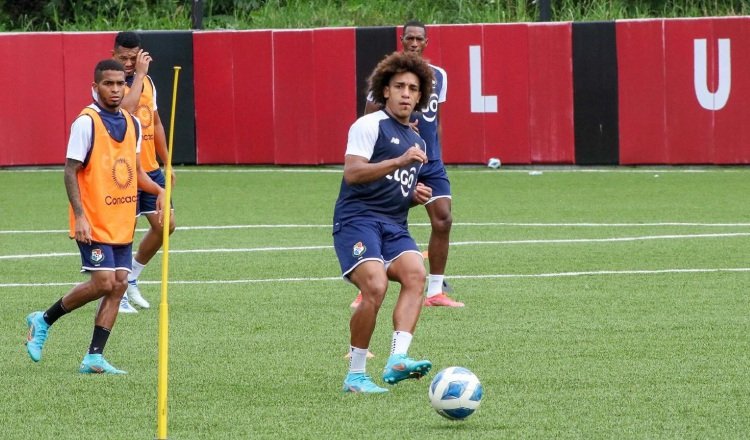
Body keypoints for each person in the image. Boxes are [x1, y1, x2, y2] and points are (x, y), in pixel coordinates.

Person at [24, 59, 165, 374]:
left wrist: (158, 190)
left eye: (120, 84)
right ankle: (42, 320)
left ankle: (94, 357)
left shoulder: (132, 123)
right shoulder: (86, 122)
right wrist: (80, 216)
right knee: (103, 282)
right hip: (93, 221)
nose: (115, 90)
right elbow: (70, 170)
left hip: (121, 221)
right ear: (95, 87)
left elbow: (136, 170)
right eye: (108, 84)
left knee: (118, 285)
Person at [334, 51, 436, 393]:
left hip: (394, 225)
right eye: (399, 87)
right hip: (357, 220)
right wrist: (399, 161)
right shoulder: (369, 125)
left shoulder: (417, 141)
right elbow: (353, 173)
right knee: (375, 287)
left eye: (413, 88)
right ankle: (356, 375)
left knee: (415, 273)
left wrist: (412, 196)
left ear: (421, 96)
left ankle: (397, 360)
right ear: (386, 91)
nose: (406, 93)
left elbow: (391, 187)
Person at [351, 20, 463, 309]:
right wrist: (397, 130)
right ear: (402, 40)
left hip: (430, 161)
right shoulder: (389, 76)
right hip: (398, 159)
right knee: (383, 219)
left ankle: (435, 291)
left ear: (426, 42)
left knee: (443, 219)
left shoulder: (439, 76)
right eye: (409, 38)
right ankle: (367, 287)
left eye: (419, 39)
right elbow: (369, 116)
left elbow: (434, 120)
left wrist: (435, 149)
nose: (414, 43)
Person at [111, 31, 175, 313]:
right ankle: (117, 290)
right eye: (122, 57)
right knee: (124, 233)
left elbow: (155, 122)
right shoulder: (109, 84)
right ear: (114, 55)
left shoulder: (147, 81)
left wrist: (168, 161)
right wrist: (137, 75)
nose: (127, 62)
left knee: (166, 225)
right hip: (124, 173)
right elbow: (125, 110)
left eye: (132, 57)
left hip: (150, 168)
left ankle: (132, 276)